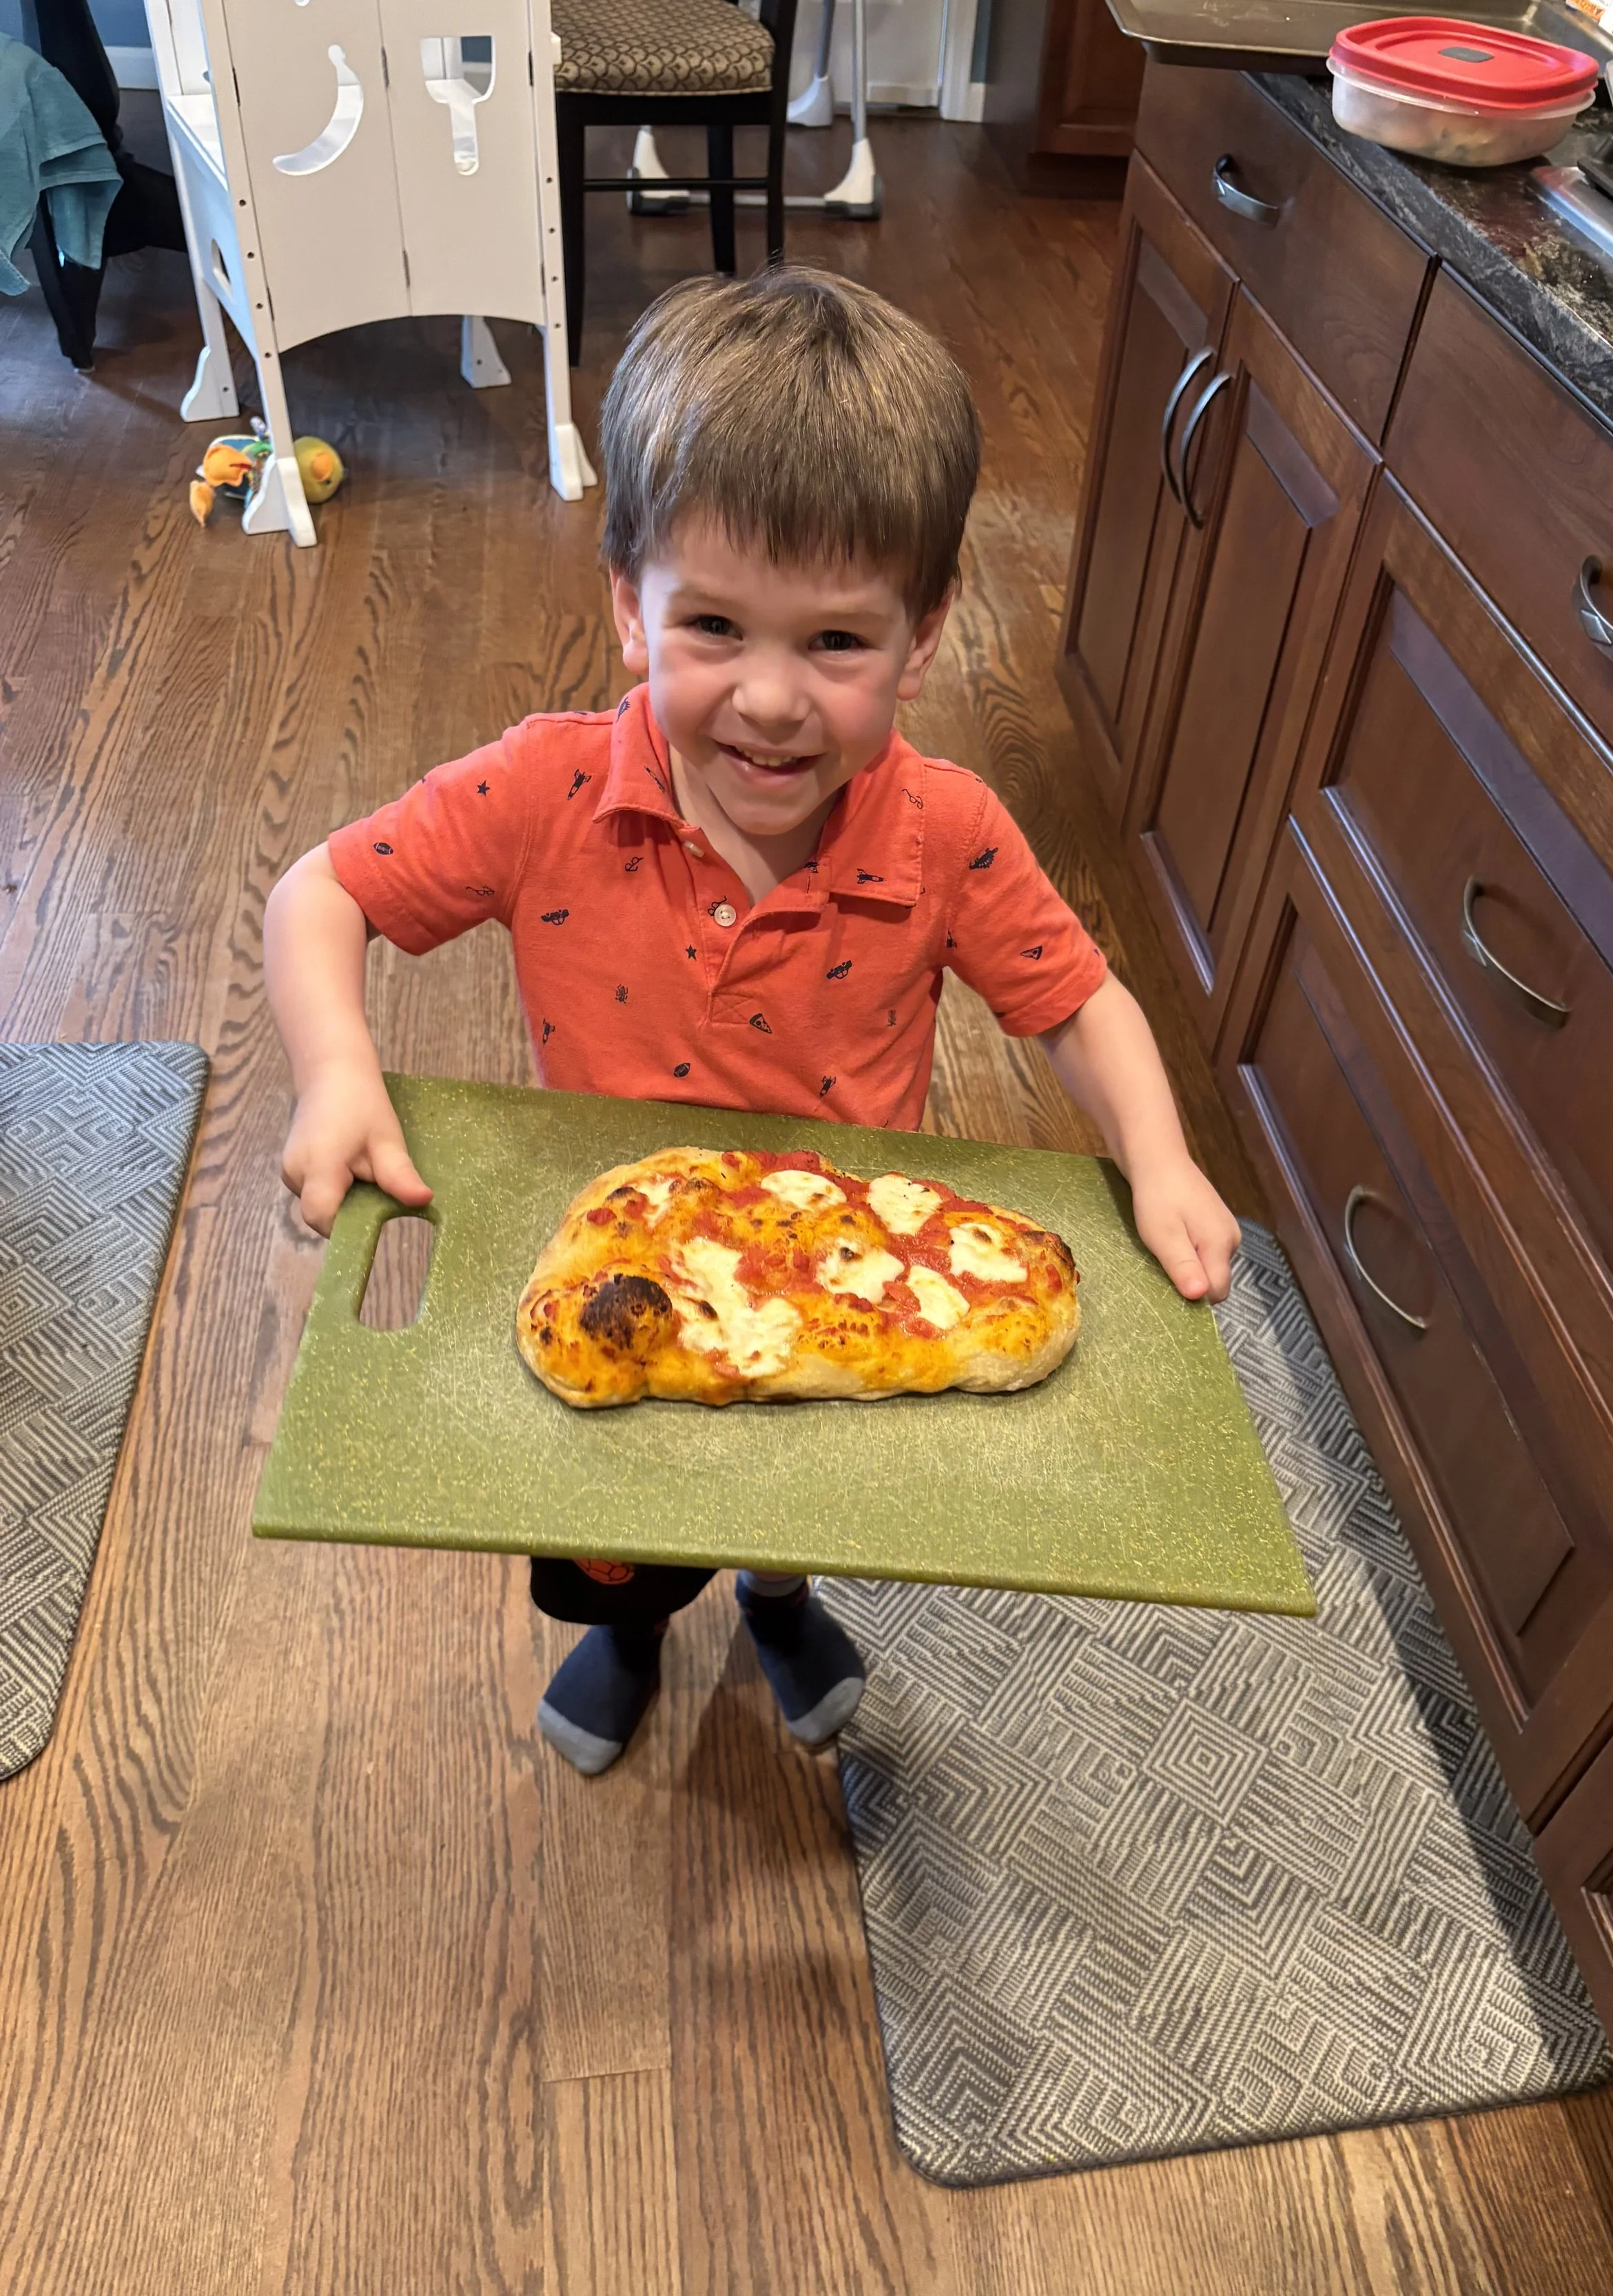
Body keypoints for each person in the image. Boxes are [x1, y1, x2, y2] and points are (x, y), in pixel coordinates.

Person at [263, 265, 1242, 1780]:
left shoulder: (948, 830)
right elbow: (318, 894)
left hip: (844, 1271)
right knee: (617, 1512)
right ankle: (635, 1629)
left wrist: (1160, 1158)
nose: (771, 702)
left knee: (803, 1486)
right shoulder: (547, 788)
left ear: (921, 639)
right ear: (625, 599)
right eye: (712, 624)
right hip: (616, 1255)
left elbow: (1079, 1002)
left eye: (836, 645)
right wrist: (337, 1071)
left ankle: (780, 1607)